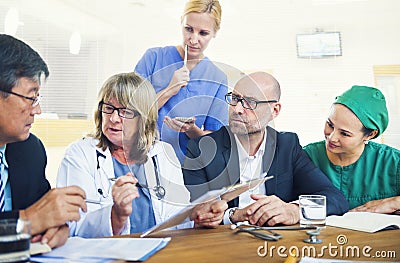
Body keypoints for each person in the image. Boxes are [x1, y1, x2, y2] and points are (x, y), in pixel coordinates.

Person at [57, 72, 223, 237]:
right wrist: (116, 216)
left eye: (125, 112)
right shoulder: (80, 154)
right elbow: (70, 226)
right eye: (108, 108)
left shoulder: (163, 153)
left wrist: (197, 216)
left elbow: (176, 216)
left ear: (143, 118)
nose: (114, 118)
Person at [183, 72, 349, 226]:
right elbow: (192, 214)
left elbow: (335, 198)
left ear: (274, 110)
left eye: (249, 102)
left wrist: (295, 210)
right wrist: (232, 215)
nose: (237, 109)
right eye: (234, 99)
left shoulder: (287, 145)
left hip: (276, 242)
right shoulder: (201, 149)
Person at [0, 34, 87, 248]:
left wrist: (56, 227)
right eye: (31, 98)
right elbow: (33, 218)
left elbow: (44, 215)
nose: (37, 110)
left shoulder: (30, 150)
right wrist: (27, 221)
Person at [135, 0, 228, 163]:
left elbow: (215, 139)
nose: (193, 39)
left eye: (203, 33)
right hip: (142, 160)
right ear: (181, 22)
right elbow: (129, 115)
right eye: (189, 29)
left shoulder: (218, 79)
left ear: (215, 32)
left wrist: (191, 130)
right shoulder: (153, 58)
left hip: (185, 168)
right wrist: (169, 90)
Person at [304, 85, 400, 213]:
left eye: (344, 133)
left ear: (370, 134)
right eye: (330, 125)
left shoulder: (393, 162)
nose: (332, 138)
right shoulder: (304, 157)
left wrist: (395, 203)